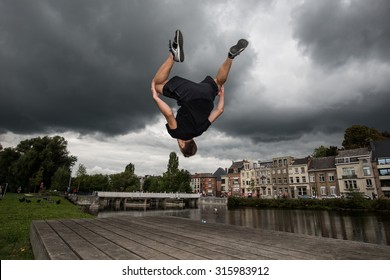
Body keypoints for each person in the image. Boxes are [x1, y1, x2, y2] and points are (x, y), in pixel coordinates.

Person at [151, 30, 248, 157]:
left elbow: (220, 110)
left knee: (218, 81)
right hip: (190, 96)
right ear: (181, 145)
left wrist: (221, 95)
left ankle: (230, 56)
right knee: (156, 85)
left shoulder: (200, 131)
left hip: (207, 96)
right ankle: (173, 54)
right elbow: (169, 113)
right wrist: (156, 98)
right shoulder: (177, 134)